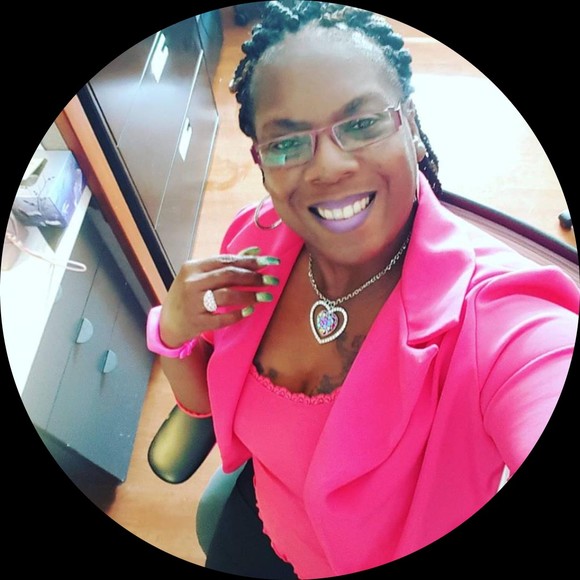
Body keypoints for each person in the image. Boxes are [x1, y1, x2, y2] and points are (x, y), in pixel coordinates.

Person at [145, 2, 579, 577]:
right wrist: (171, 330)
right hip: (261, 522)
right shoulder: (255, 243)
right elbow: (204, 403)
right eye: (287, 142)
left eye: (362, 123)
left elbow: (540, 372)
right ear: (262, 163)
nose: (328, 167)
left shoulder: (499, 319)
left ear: (411, 126)